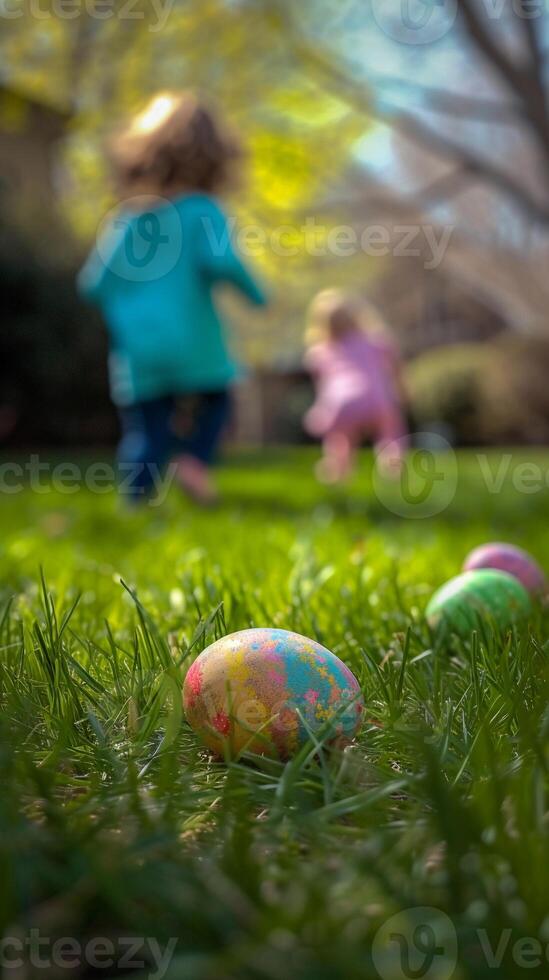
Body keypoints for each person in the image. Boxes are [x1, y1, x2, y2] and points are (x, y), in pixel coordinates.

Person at [78, 91, 266, 504]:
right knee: (217, 401)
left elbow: (93, 283)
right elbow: (222, 263)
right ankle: (195, 462)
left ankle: (135, 501)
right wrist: (258, 295)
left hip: (138, 349)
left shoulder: (126, 219)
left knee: (147, 427)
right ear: (214, 157)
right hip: (193, 341)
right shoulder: (203, 210)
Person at [303, 289, 408, 483]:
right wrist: (401, 391)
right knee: (390, 430)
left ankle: (337, 468)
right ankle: (392, 461)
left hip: (342, 403)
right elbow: (394, 363)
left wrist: (322, 410)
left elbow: (322, 387)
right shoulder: (374, 340)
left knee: (341, 440)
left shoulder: (321, 351)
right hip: (377, 398)